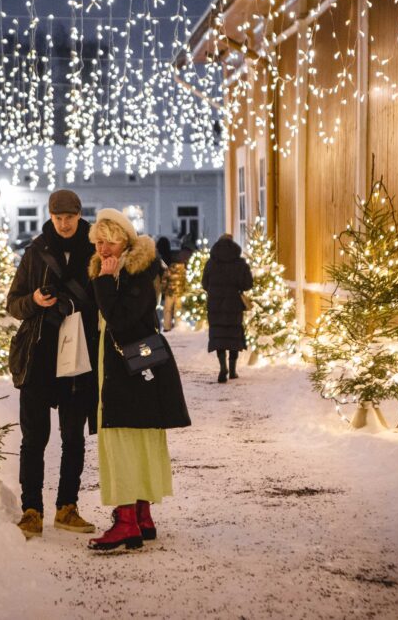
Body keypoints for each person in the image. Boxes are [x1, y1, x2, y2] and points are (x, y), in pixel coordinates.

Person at [87, 209, 191, 551]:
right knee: (138, 438)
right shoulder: (123, 271)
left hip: (129, 372)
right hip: (132, 370)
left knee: (123, 440)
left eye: (110, 242)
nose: (103, 250)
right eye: (99, 242)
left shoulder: (137, 272)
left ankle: (127, 521)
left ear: (126, 241)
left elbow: (120, 320)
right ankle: (142, 515)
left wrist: (104, 281)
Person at [6, 189, 99, 539]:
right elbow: (12, 305)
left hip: (78, 355)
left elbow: (103, 300)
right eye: (58, 217)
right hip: (38, 356)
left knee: (73, 437)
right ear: (50, 215)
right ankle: (31, 510)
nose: (64, 223)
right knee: (34, 438)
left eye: (70, 218)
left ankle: (67, 507)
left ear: (78, 216)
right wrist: (33, 300)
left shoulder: (93, 250)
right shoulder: (35, 252)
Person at [202, 233, 253, 383]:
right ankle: (232, 370)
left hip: (215, 305)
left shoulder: (211, 263)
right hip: (234, 305)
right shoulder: (240, 263)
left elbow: (205, 284)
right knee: (233, 336)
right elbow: (248, 284)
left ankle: (222, 366)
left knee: (219, 336)